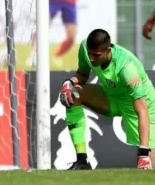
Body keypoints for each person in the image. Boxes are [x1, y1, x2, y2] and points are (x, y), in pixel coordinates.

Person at [59, 29, 155, 170]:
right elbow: (82, 74)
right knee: (74, 94)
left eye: (96, 55)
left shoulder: (127, 69)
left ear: (108, 50)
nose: (91, 58)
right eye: (90, 53)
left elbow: (142, 111)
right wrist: (70, 82)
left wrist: (143, 155)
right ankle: (82, 161)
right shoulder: (86, 49)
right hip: (111, 96)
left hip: (140, 105)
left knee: (149, 165)